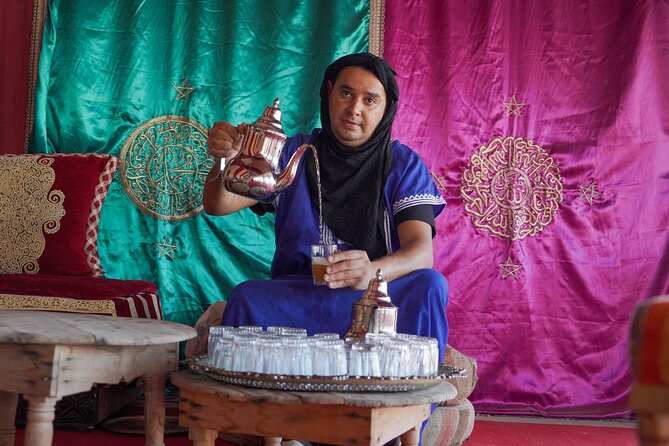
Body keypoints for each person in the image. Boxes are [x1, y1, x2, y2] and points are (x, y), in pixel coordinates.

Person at [200, 52, 448, 358]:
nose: (354, 109)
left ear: (386, 110)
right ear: (329, 93)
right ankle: (258, 397)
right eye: (346, 93)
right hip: (302, 297)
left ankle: (408, 394)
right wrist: (224, 159)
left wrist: (371, 272)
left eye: (370, 100)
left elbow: (421, 252)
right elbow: (217, 204)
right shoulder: (295, 153)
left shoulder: (402, 165)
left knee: (429, 285)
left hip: (375, 298)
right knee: (246, 296)